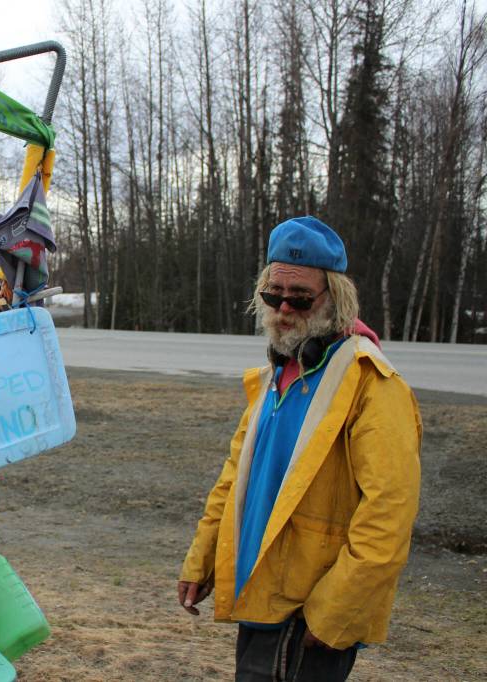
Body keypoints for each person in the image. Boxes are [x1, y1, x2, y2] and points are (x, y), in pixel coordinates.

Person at [178, 217, 422, 681]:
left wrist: (335, 611)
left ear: (336, 298)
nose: (284, 308)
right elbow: (234, 480)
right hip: (260, 596)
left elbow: (389, 514)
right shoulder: (274, 377)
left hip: (307, 612)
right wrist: (202, 558)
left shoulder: (374, 386)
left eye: (300, 298)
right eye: (274, 295)